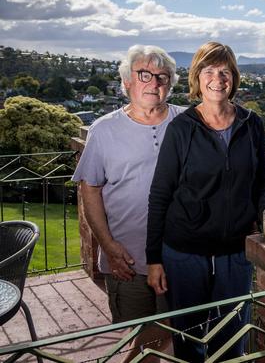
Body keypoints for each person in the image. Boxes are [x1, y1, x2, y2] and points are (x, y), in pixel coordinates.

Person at [146, 41, 265, 361]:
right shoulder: (181, 129)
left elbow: (263, 184)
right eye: (209, 71)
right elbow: (160, 194)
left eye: (225, 71)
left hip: (235, 252)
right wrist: (153, 259)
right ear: (197, 78)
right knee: (189, 341)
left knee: (233, 339)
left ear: (234, 78)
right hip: (185, 253)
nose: (218, 78)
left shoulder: (251, 124)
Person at [72, 45, 184, 362]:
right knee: (142, 336)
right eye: (144, 74)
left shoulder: (186, 123)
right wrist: (107, 246)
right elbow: (90, 190)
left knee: (175, 332)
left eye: (162, 77)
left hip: (179, 258)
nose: (154, 82)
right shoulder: (103, 131)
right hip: (127, 261)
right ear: (126, 83)